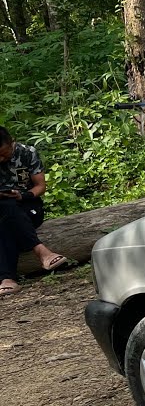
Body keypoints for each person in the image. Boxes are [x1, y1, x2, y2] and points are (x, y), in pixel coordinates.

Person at [0, 127, 66, 296]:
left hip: (29, 206)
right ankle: (42, 252)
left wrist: (24, 196)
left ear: (11, 142)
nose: (1, 158)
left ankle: (7, 279)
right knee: (5, 209)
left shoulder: (28, 153)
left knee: (7, 213)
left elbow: (40, 186)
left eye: (4, 153)